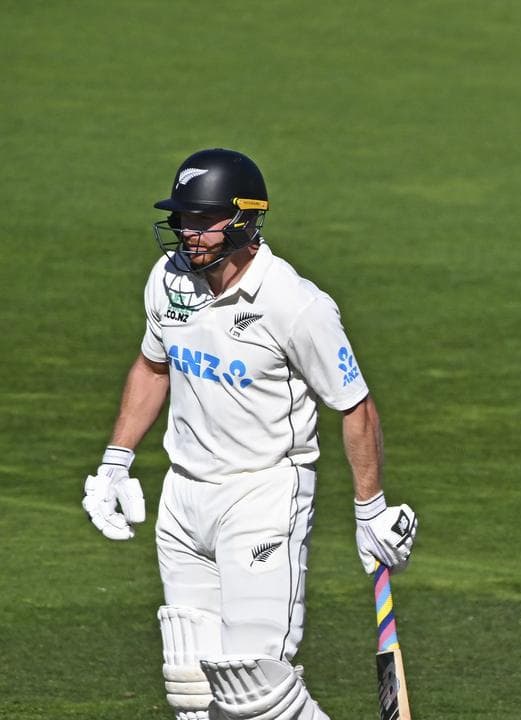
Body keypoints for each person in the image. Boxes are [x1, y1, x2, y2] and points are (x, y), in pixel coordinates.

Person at [81, 148, 419, 720]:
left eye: (203, 219)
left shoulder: (295, 304)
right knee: (193, 692)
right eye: (183, 219)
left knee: (255, 692)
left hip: (262, 496)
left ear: (244, 218)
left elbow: (354, 404)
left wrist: (371, 508)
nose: (189, 233)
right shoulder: (168, 282)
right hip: (183, 498)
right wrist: (116, 460)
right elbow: (152, 366)